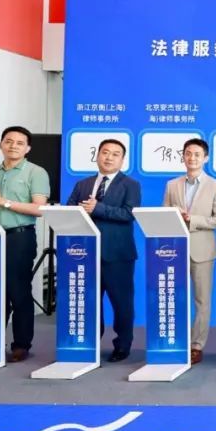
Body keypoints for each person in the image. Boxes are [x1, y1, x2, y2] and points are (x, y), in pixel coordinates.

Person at [0, 126, 50, 363]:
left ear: (28, 148)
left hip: (19, 237)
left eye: (19, 143)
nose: (13, 146)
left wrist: (2, 201)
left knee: (18, 290)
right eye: (8, 141)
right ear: (1, 145)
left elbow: (39, 208)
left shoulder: (36, 172)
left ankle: (21, 344)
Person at [66, 138, 141, 362]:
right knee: (88, 301)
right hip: (84, 253)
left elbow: (129, 214)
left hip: (117, 254)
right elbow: (70, 210)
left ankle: (122, 345)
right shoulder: (83, 184)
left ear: (122, 159)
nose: (109, 157)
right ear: (97, 155)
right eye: (105, 152)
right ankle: (89, 342)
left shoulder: (130, 184)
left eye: (115, 154)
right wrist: (77, 212)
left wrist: (98, 208)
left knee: (121, 303)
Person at [162, 138, 216, 365]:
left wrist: (193, 219)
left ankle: (196, 345)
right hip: (175, 250)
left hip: (203, 251)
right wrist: (173, 216)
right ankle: (176, 340)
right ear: (183, 156)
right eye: (188, 153)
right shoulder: (172, 185)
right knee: (174, 297)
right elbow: (164, 214)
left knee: (202, 301)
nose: (192, 158)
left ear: (205, 158)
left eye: (197, 154)